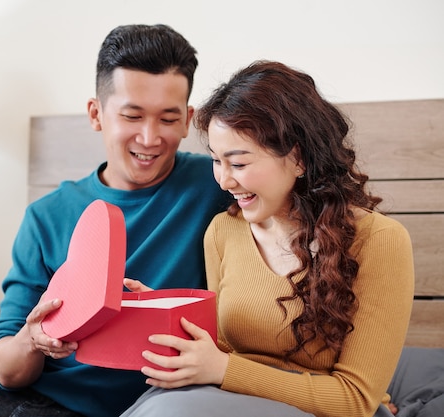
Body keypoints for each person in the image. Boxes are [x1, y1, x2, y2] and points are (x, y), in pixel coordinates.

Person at [0, 24, 228, 417]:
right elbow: (6, 366)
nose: (150, 137)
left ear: (188, 119)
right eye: (132, 116)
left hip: (148, 400)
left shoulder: (220, 185)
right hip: (29, 392)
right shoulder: (47, 215)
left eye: (168, 119)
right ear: (96, 114)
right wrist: (35, 338)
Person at [120, 60, 415, 417]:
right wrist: (168, 318)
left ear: (298, 158)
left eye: (239, 163)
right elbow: (226, 352)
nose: (224, 181)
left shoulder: (379, 240)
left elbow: (355, 399)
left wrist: (226, 370)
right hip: (234, 399)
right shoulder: (222, 232)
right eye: (216, 160)